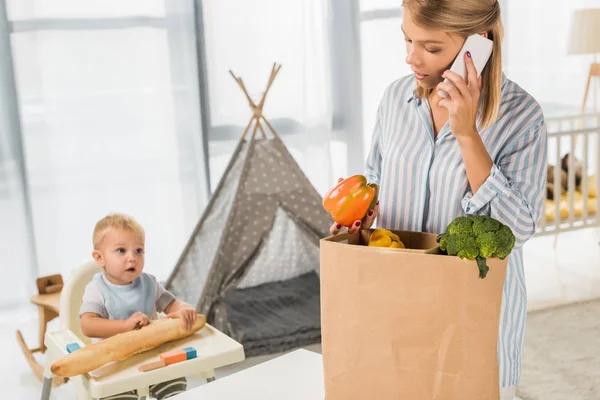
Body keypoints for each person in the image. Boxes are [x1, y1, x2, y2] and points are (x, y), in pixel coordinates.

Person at [330, 1, 547, 398]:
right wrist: (360, 212)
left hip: (472, 310)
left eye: (430, 48)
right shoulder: (396, 99)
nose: (411, 57)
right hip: (395, 297)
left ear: (477, 45)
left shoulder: (522, 116)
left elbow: (518, 229)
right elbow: (377, 175)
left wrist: (467, 135)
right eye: (408, 39)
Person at [80, 212, 198, 400]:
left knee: (176, 388)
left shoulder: (149, 283)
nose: (132, 258)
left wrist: (183, 309)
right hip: (114, 366)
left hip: (152, 357)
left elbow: (171, 304)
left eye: (138, 250)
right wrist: (124, 325)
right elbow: (87, 325)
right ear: (100, 258)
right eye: (121, 251)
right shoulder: (97, 289)